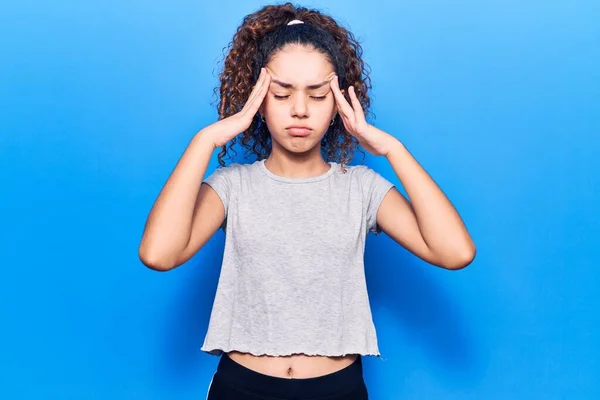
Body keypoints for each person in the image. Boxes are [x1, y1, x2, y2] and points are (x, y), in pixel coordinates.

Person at [138, 3, 476, 399]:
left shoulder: (361, 188)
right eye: (281, 94)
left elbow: (455, 252)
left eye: (317, 96)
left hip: (337, 389)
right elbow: (159, 254)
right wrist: (205, 141)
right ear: (258, 100)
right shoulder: (232, 186)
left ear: (338, 104)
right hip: (241, 386)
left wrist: (392, 149)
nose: (300, 110)